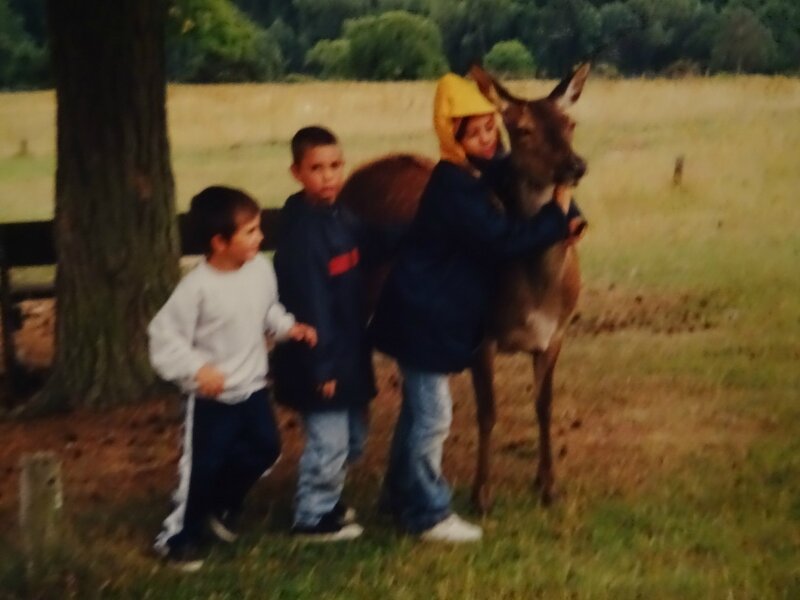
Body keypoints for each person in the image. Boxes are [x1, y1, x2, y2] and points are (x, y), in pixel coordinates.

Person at [370, 73, 584, 543]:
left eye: (492, 129)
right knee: (433, 417)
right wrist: (557, 216)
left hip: (423, 311)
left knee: (416, 414)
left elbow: (533, 167)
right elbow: (504, 240)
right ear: (454, 139)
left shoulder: (481, 171)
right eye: (478, 133)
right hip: (424, 315)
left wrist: (571, 206)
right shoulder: (454, 188)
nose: (490, 140)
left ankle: (395, 494)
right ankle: (427, 512)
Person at [148, 185, 317, 571]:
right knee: (201, 467)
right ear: (219, 242)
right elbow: (163, 338)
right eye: (251, 232)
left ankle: (219, 505)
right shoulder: (197, 289)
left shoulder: (259, 269)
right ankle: (177, 537)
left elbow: (268, 310)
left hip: (253, 387)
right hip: (211, 399)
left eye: (259, 228)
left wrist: (290, 329)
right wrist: (197, 370)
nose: (261, 237)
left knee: (265, 449)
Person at [271, 126, 375, 542]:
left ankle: (329, 499)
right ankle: (312, 516)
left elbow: (373, 241)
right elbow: (310, 308)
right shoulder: (304, 236)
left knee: (353, 440)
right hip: (318, 359)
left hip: (348, 351)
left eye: (335, 166)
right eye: (316, 169)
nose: (328, 177)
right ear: (297, 172)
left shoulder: (342, 216)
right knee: (329, 440)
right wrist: (321, 368)